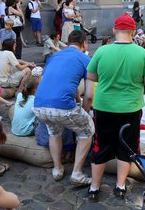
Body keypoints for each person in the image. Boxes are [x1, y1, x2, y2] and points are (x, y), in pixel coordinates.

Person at [86, 14, 145, 201]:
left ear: (114, 30)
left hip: (104, 107)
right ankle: (120, 186)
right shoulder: (141, 53)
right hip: (130, 108)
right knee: (126, 147)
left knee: (100, 146)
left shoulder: (102, 51)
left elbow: (91, 76)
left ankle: (94, 188)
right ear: (133, 32)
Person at [33, 31, 95, 187]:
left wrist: (77, 101)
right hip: (62, 107)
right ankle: (77, 173)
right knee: (87, 130)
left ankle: (58, 169)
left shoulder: (54, 57)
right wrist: (85, 112)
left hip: (39, 105)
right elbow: (89, 95)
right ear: (85, 44)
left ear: (67, 43)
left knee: (54, 132)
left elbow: (65, 83)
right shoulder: (85, 59)